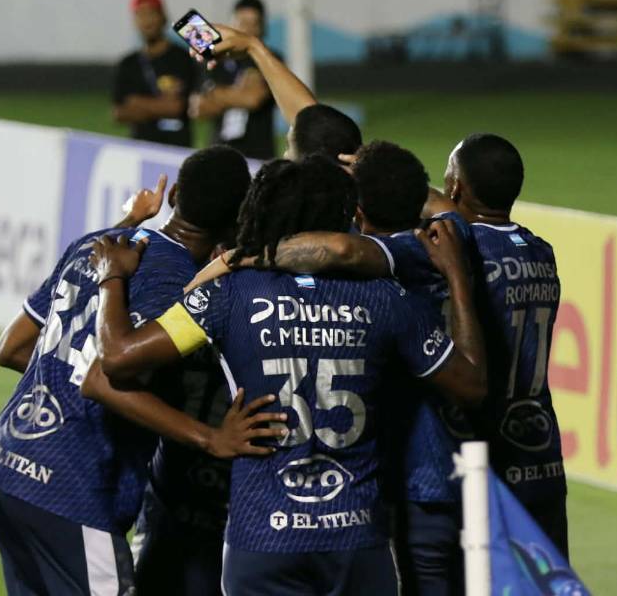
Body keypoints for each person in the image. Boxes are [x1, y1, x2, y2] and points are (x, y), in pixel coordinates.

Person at [88, 155, 488, 596]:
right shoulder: (387, 298)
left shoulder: (226, 294)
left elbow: (119, 358)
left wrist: (113, 279)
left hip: (263, 538)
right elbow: (471, 386)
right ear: (346, 215)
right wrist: (457, 274)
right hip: (356, 540)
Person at [0, 146, 269, 596]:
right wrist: (210, 437)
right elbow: (101, 377)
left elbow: (12, 347)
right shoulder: (174, 285)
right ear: (237, 222)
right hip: (70, 490)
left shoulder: (100, 245)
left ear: (174, 196)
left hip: (3, 466)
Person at [435, 133, 569, 558]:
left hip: (481, 459)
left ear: (455, 187)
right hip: (540, 453)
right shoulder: (541, 252)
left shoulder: (462, 252)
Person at [188, 22, 362, 161]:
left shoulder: (303, 196)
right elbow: (309, 120)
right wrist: (253, 47)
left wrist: (253, 47)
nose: (285, 156)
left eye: (288, 148)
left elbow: (307, 119)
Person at [191, 0, 278, 160]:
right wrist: (238, 94)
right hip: (218, 154)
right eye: (243, 23)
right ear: (231, 24)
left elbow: (253, 98)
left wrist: (214, 93)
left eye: (254, 24)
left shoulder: (270, 58)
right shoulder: (213, 60)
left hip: (258, 157)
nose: (247, 31)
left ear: (263, 27)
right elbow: (198, 108)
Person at [113, 0, 198, 147]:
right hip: (140, 148)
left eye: (151, 13)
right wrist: (161, 105)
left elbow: (176, 107)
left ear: (163, 17)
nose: (146, 21)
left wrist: (137, 103)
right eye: (140, 15)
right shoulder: (128, 63)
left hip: (177, 147)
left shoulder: (182, 58)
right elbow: (118, 113)